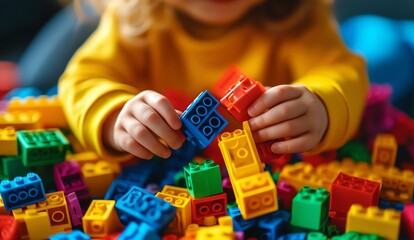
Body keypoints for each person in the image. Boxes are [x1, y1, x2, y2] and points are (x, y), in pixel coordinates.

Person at [59, 0, 369, 162]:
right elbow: (83, 79)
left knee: (386, 50)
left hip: (265, 172)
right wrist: (115, 114)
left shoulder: (300, 21)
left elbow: (342, 73)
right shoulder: (133, 23)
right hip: (163, 171)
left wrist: (321, 105)